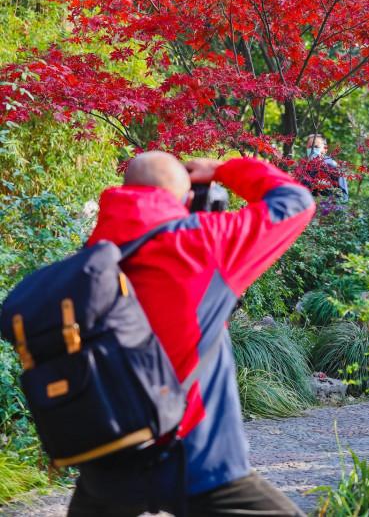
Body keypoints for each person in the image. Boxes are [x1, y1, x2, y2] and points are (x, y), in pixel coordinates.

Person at [67, 150, 315, 517]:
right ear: (185, 198)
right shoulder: (204, 243)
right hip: (198, 457)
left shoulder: (87, 260)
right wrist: (222, 170)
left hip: (111, 461)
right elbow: (296, 201)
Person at [304, 133, 349, 201]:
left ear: (325, 149)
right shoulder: (303, 168)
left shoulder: (333, 167)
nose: (312, 149)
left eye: (316, 147)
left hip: (327, 208)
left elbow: (344, 197)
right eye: (310, 147)